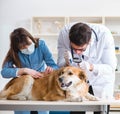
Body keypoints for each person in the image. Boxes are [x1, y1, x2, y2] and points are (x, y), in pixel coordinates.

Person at [50, 22, 117, 114]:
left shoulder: (104, 35)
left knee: (101, 110)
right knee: (77, 110)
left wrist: (91, 67)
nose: (77, 52)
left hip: (99, 81)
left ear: (89, 41)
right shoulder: (64, 33)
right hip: (76, 83)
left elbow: (111, 67)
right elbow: (60, 65)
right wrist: (67, 62)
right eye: (74, 49)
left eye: (81, 49)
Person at [1, 27, 59, 114]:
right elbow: (4, 72)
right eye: (22, 47)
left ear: (31, 38)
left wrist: (51, 69)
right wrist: (24, 70)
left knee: (42, 110)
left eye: (29, 44)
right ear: (17, 48)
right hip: (24, 85)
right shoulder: (14, 52)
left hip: (41, 84)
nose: (27, 48)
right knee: (22, 109)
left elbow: (54, 66)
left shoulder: (41, 45)